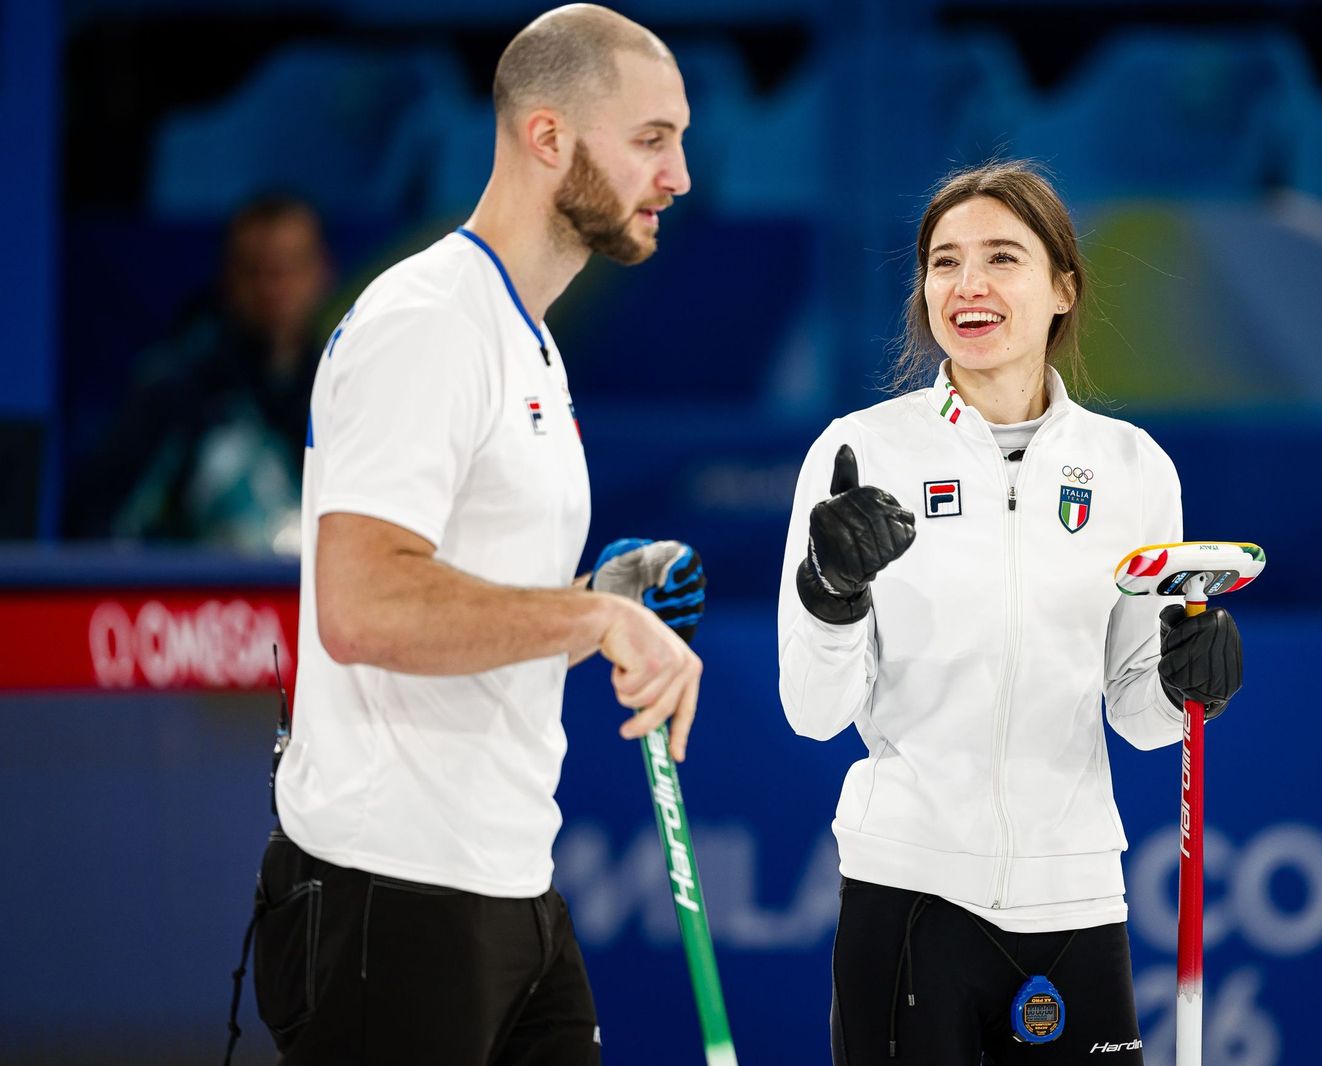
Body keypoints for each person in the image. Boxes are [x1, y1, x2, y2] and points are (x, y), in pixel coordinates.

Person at [244, 7, 701, 1064]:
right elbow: (364, 606)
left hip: (507, 883)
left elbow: (471, 579)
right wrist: (587, 616)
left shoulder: (524, 336)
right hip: (390, 901)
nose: (678, 174)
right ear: (548, 138)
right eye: (650, 139)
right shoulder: (430, 325)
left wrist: (603, 595)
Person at [777, 161, 1247, 1065]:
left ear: (1063, 285)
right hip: (907, 895)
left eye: (1002, 256)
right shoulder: (859, 452)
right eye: (944, 262)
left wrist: (1193, 685)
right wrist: (831, 594)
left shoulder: (1133, 467)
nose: (970, 285)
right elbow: (812, 710)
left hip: (1075, 904)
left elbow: (1141, 719)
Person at [66, 194, 333, 552]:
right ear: (227, 277)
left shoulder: (347, 390)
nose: (274, 289)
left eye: (289, 269)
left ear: (322, 273)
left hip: (322, 596)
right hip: (202, 599)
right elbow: (99, 524)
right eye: (256, 270)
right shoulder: (172, 389)